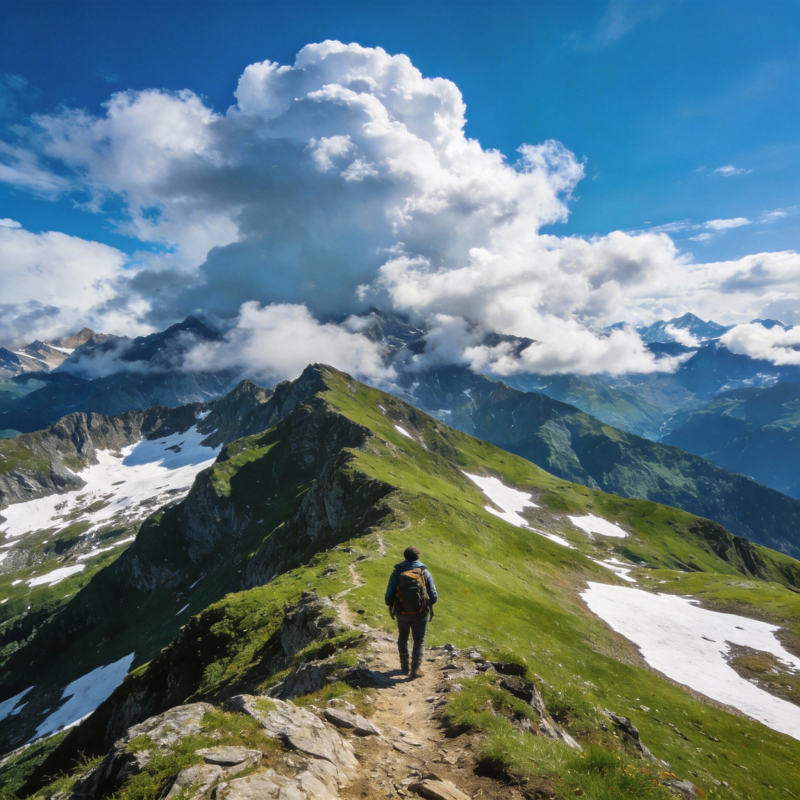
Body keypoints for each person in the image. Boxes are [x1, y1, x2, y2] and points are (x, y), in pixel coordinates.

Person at [384, 546, 438, 679]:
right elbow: (434, 596)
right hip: (420, 613)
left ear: (405, 556)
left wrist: (392, 605)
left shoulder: (397, 573)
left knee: (403, 636)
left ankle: (404, 666)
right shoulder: (424, 573)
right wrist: (426, 605)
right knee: (419, 640)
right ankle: (416, 669)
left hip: (401, 611)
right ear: (418, 557)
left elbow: (388, 595)